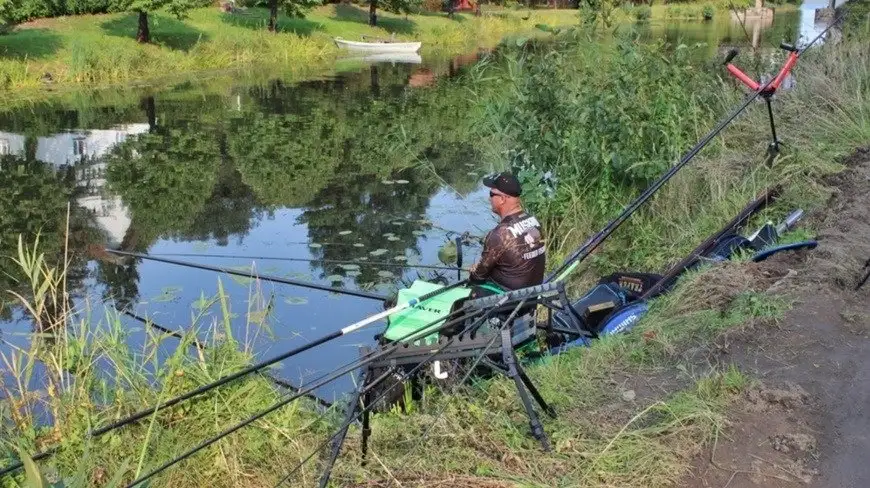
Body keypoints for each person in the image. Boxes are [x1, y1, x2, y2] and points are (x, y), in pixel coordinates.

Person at [469, 172, 546, 295]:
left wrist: (474, 270)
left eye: (491, 194)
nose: (489, 198)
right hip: (532, 295)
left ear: (502, 199)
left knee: (472, 288)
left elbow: (478, 276)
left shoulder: (500, 234)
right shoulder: (534, 221)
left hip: (508, 301)